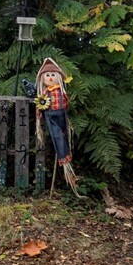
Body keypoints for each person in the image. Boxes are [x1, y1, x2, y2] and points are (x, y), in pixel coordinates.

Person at [35, 58, 77, 188]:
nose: (51, 77)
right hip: (50, 116)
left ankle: (67, 164)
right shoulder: (44, 92)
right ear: (43, 78)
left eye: (53, 74)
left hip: (62, 114)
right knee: (57, 135)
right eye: (47, 75)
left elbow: (66, 102)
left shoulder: (61, 90)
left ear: (58, 76)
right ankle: (64, 161)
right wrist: (39, 114)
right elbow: (39, 104)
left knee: (63, 133)